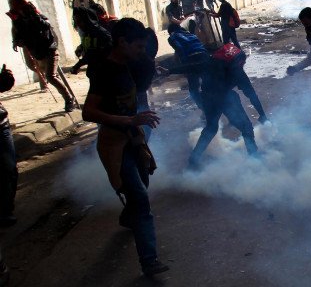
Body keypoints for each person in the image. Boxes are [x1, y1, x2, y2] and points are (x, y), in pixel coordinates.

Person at [82, 18, 169, 277]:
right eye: (139, 47)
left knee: (142, 185)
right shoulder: (104, 71)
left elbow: (140, 83)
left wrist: (154, 70)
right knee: (141, 197)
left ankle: (128, 215)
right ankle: (149, 261)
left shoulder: (132, 64)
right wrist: (129, 120)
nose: (143, 52)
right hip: (114, 140)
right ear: (122, 42)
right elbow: (89, 112)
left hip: (134, 136)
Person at [169, 42, 268, 169]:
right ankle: (254, 157)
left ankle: (194, 159)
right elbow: (251, 94)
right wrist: (262, 114)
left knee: (211, 128)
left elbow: (192, 67)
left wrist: (169, 71)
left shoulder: (211, 63)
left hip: (207, 97)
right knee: (247, 128)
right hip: (225, 99)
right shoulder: (237, 72)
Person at [7, 0, 76, 112]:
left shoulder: (37, 17)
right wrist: (16, 41)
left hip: (49, 50)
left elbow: (45, 28)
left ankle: (69, 99)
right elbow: (16, 30)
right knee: (36, 68)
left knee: (50, 76)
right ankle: (55, 78)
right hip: (35, 51)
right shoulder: (18, 20)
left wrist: (33, 16)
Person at [167, 23, 209, 110]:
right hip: (204, 56)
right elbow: (197, 46)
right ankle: (216, 107)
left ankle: (204, 110)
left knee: (193, 89)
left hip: (191, 59)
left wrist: (186, 68)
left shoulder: (172, 37)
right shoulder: (190, 34)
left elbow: (180, 50)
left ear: (170, 32)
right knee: (209, 84)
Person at [0, 64, 16, 286]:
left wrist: (6, 79)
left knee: (8, 169)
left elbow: (3, 86)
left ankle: (6, 208)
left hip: (0, 125)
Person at [70, 7, 112, 75]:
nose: (78, 24)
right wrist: (81, 47)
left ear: (87, 19)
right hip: (94, 74)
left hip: (105, 74)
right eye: (76, 21)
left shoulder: (100, 33)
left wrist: (78, 65)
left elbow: (94, 54)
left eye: (80, 21)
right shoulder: (87, 33)